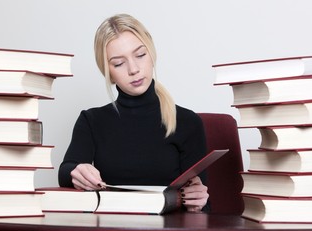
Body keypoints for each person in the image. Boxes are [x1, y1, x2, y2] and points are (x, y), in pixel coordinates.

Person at [58, 14, 209, 213]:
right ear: (108, 72)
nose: (134, 69)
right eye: (119, 63)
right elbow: (65, 172)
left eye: (140, 55)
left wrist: (199, 201)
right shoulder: (91, 121)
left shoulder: (188, 122)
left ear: (152, 54)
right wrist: (75, 172)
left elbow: (204, 208)